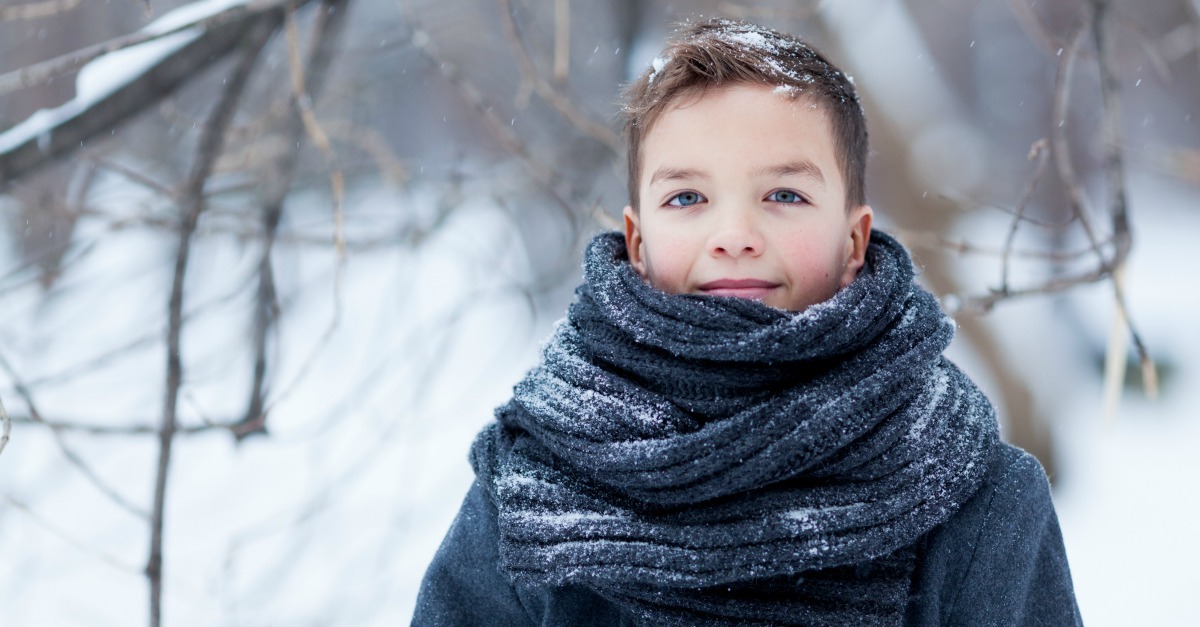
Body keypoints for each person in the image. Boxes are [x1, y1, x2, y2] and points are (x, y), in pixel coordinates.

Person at [413, 18, 1081, 626]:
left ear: (854, 241)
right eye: (688, 197)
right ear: (637, 242)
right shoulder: (534, 483)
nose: (734, 234)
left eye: (784, 194)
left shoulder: (975, 497)